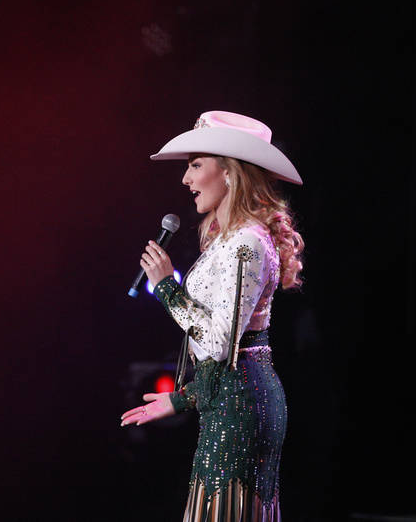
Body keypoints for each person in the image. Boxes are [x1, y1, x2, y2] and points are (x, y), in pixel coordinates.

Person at [120, 111, 304, 522]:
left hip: (242, 407)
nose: (186, 179)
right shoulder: (232, 239)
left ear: (230, 173)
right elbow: (223, 351)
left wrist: (166, 287)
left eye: (196, 165)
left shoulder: (246, 243)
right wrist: (182, 398)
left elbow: (221, 342)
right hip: (229, 399)